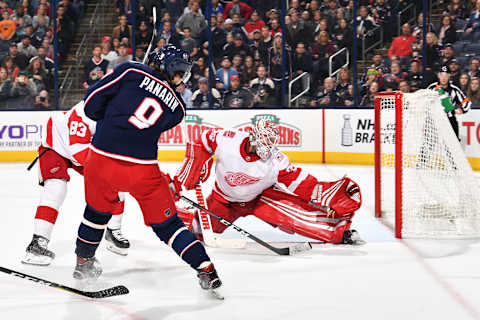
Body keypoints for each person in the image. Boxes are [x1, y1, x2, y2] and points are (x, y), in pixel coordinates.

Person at [72, 45, 222, 294]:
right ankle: (205, 268)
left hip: (101, 160)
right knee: (169, 225)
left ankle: (83, 262)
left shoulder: (130, 70)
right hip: (142, 169)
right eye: (179, 73)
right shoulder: (178, 109)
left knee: (96, 213)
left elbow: (90, 105)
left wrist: (109, 118)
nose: (181, 79)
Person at [175, 119, 363, 245]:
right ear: (253, 137)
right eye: (265, 141)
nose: (269, 146)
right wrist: (198, 163)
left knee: (295, 217)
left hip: (260, 198)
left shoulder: (276, 161)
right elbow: (202, 140)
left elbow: (302, 183)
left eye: (272, 141)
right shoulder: (228, 139)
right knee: (197, 229)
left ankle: (341, 231)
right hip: (223, 200)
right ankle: (167, 214)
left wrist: (329, 200)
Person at [22, 101, 129, 266]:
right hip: (56, 146)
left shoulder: (122, 116)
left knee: (116, 185)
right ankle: (37, 243)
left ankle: (113, 231)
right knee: (56, 188)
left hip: (83, 149)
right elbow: (79, 152)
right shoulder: (84, 113)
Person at [427, 71, 472, 139]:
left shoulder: (454, 89)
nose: (443, 78)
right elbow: (424, 100)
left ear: (449, 77)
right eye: (442, 75)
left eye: (446, 76)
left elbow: (467, 102)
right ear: (439, 76)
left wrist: (462, 110)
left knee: (454, 145)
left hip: (450, 120)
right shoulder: (432, 87)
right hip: (435, 121)